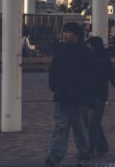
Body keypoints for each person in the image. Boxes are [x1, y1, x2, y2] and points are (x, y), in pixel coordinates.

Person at [45, 22, 97, 167]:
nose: (65, 34)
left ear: (77, 35)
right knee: (62, 127)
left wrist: (91, 96)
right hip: (63, 96)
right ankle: (55, 156)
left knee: (79, 129)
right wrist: (54, 86)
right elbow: (53, 71)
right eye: (65, 32)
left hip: (80, 97)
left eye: (69, 32)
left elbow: (93, 76)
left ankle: (82, 155)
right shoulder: (61, 51)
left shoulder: (86, 53)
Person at [86, 36, 115, 157]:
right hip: (89, 94)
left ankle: (90, 149)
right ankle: (102, 146)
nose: (89, 48)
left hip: (99, 95)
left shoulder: (104, 60)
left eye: (90, 45)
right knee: (94, 122)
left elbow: (114, 77)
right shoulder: (88, 59)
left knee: (92, 122)